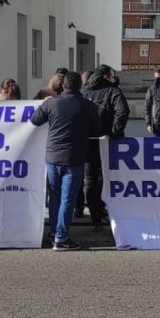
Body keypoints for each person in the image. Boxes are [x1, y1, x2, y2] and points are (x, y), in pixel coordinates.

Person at [30, 71, 100, 251]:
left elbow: (35, 121)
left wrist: (44, 105)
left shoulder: (52, 103)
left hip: (52, 157)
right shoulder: (87, 106)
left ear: (63, 85)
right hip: (74, 158)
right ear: (80, 86)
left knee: (54, 196)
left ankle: (55, 233)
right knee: (67, 198)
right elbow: (97, 129)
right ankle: (61, 237)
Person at [81, 64, 130, 224]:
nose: (114, 79)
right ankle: (110, 211)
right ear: (106, 77)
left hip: (87, 143)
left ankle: (95, 215)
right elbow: (122, 112)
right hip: (109, 142)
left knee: (90, 179)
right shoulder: (113, 91)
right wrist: (113, 132)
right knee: (111, 177)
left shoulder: (84, 91)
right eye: (112, 76)